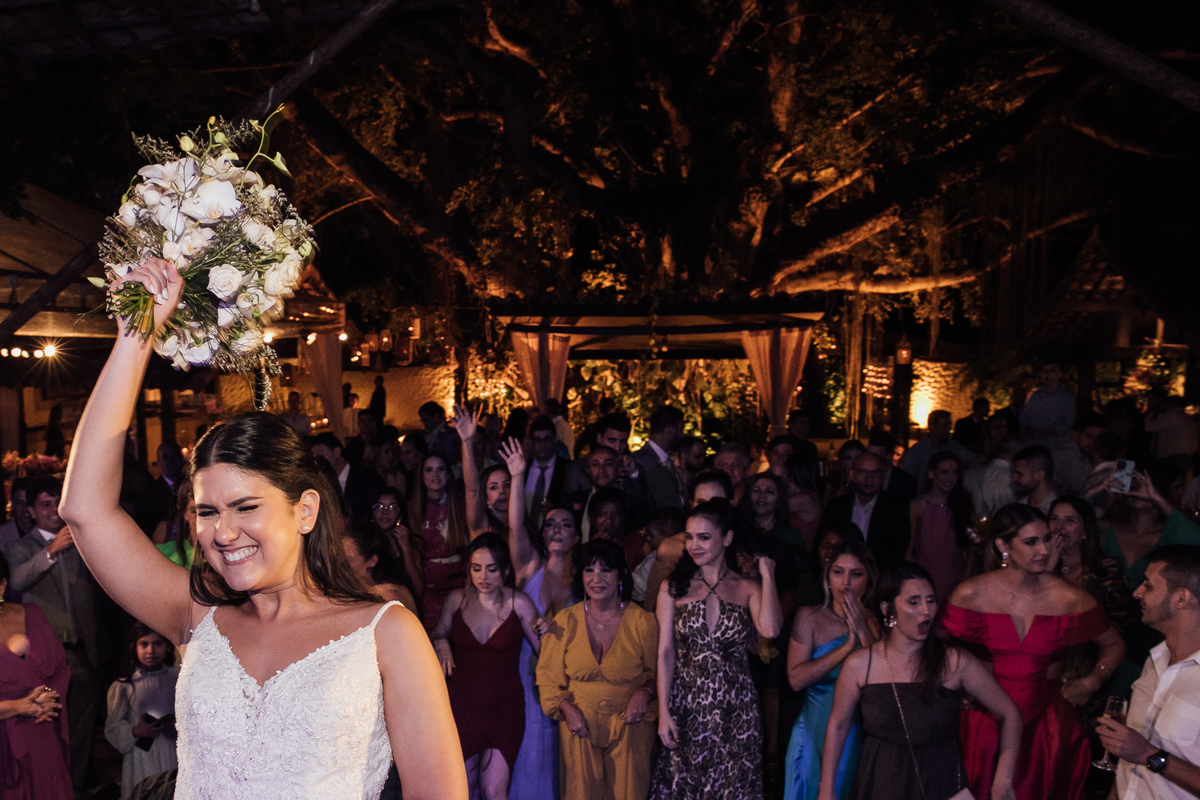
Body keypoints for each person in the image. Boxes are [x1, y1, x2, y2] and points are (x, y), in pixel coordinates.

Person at [57, 256, 465, 799]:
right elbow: (85, 510)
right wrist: (136, 336)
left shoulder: (386, 634)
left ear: (305, 511)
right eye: (207, 511)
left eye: (246, 507)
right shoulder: (196, 615)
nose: (223, 532)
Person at [942, 504, 1126, 800]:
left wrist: (1091, 681)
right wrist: (956, 686)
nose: (1044, 550)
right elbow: (933, 646)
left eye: (1046, 539)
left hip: (1045, 725)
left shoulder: (1067, 597)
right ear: (1003, 545)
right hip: (985, 722)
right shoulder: (970, 594)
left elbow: (1114, 645)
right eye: (1031, 542)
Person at [818, 563, 1022, 800]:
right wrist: (826, 789)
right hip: (881, 782)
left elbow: (1011, 713)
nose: (926, 610)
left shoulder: (954, 662)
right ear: (888, 609)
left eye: (931, 600)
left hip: (942, 784)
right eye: (914, 602)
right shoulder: (860, 664)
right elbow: (838, 725)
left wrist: (1003, 781)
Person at [647, 499, 782, 799]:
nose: (694, 545)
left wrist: (768, 576)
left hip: (737, 710)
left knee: (734, 788)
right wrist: (664, 712)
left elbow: (770, 630)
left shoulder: (747, 587)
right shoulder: (672, 587)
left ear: (728, 538)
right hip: (687, 706)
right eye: (690, 537)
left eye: (704, 537)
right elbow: (665, 652)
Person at [2, 475, 102, 797]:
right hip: (43, 659)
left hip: (84, 651)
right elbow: (17, 581)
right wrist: (51, 549)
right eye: (45, 505)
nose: (53, 511)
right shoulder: (19, 547)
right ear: (30, 510)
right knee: (47, 733)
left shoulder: (81, 542)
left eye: (56, 503)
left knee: (83, 733)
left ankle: (77, 789)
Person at [537, 540, 658, 800]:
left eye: (606, 570)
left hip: (629, 725)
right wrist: (566, 709)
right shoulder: (565, 622)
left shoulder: (642, 622)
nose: (596, 578)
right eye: (589, 570)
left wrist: (645, 693)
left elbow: (660, 674)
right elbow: (547, 679)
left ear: (621, 574)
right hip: (579, 726)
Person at [432, 534, 541, 800]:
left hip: (504, 708)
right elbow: (435, 635)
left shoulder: (520, 603)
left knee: (494, 791)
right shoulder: (457, 600)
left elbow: (546, 653)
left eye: (492, 569)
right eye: (476, 568)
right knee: (464, 789)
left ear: (505, 570)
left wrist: (549, 631)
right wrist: (440, 642)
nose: (484, 576)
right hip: (462, 706)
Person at [501, 437, 578, 800]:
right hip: (528, 677)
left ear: (577, 535)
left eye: (565, 525)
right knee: (532, 755)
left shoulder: (588, 577)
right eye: (550, 525)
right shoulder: (529, 568)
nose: (557, 530)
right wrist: (518, 476)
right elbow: (516, 527)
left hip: (574, 679)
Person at [1098, 545, 1200, 799]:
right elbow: (1128, 764)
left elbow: (1139, 752)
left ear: (1181, 598)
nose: (1137, 592)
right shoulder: (1155, 660)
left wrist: (1149, 755)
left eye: (1149, 585)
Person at [784, 542, 880, 800]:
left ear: (868, 580)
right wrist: (847, 646)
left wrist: (863, 630)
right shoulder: (808, 617)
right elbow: (795, 680)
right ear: (827, 577)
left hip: (856, 733)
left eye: (856, 574)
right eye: (838, 572)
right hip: (813, 731)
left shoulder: (875, 622)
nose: (845, 582)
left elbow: (883, 680)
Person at [1047, 496, 1137, 720]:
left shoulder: (1107, 570)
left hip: (1091, 679)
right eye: (1054, 519)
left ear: (1085, 532)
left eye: (1069, 521)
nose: (1059, 527)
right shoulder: (1040, 573)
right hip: (1045, 679)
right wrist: (1049, 565)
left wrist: (1094, 678)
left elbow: (1121, 629)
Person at [0, 550, 69, 800]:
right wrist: (18, 706)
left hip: (41, 729)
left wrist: (48, 697)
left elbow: (60, 669)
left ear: (2, 585)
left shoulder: (33, 615)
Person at [104, 624, 179, 800]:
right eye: (144, 644)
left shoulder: (177, 678)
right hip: (141, 756)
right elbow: (113, 727)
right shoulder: (125, 685)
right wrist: (136, 731)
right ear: (135, 647)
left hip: (171, 753)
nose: (150, 650)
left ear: (167, 646)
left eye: (157, 644)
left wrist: (176, 727)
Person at [409, 453, 473, 629]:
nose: (435, 475)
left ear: (449, 474)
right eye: (429, 470)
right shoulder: (411, 509)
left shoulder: (461, 505)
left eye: (440, 469)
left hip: (459, 585)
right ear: (421, 475)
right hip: (427, 589)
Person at [821, 452, 911, 573]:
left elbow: (898, 550)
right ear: (852, 474)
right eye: (863, 471)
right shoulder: (837, 506)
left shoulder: (896, 508)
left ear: (883, 476)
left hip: (880, 576)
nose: (869, 478)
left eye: (876, 473)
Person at [906, 451, 973, 603]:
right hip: (924, 576)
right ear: (931, 473)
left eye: (954, 473)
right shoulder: (918, 507)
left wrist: (965, 580)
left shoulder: (963, 505)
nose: (950, 478)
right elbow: (909, 549)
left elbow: (971, 551)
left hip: (955, 579)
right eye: (944, 472)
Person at [342, 525, 420, 614]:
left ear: (372, 561)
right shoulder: (358, 590)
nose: (339, 565)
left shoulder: (387, 597)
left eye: (347, 560)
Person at [897, 410, 974, 494]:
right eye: (944, 426)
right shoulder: (916, 452)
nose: (949, 429)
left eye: (949, 425)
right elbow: (906, 480)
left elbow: (973, 459)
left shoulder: (953, 446)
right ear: (932, 426)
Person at [632, 406, 686, 511]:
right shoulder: (642, 462)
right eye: (680, 429)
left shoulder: (668, 460)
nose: (682, 435)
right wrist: (683, 499)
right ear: (670, 430)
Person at [1019, 361, 1075, 445]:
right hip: (1034, 443)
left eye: (1052, 371)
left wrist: (1048, 432)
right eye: (1045, 371)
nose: (1047, 374)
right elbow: (1025, 416)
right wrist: (1029, 430)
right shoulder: (1035, 395)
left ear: (1060, 374)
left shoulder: (1067, 397)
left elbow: (1068, 422)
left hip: (1057, 446)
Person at [1010, 445, 1057, 513]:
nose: (1014, 479)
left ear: (1039, 475)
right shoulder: (1020, 505)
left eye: (1020, 474)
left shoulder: (1054, 511)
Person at [0, 477, 34, 550]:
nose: (25, 508)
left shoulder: (49, 531)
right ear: (12, 504)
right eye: (19, 502)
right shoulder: (2, 536)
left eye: (29, 502)